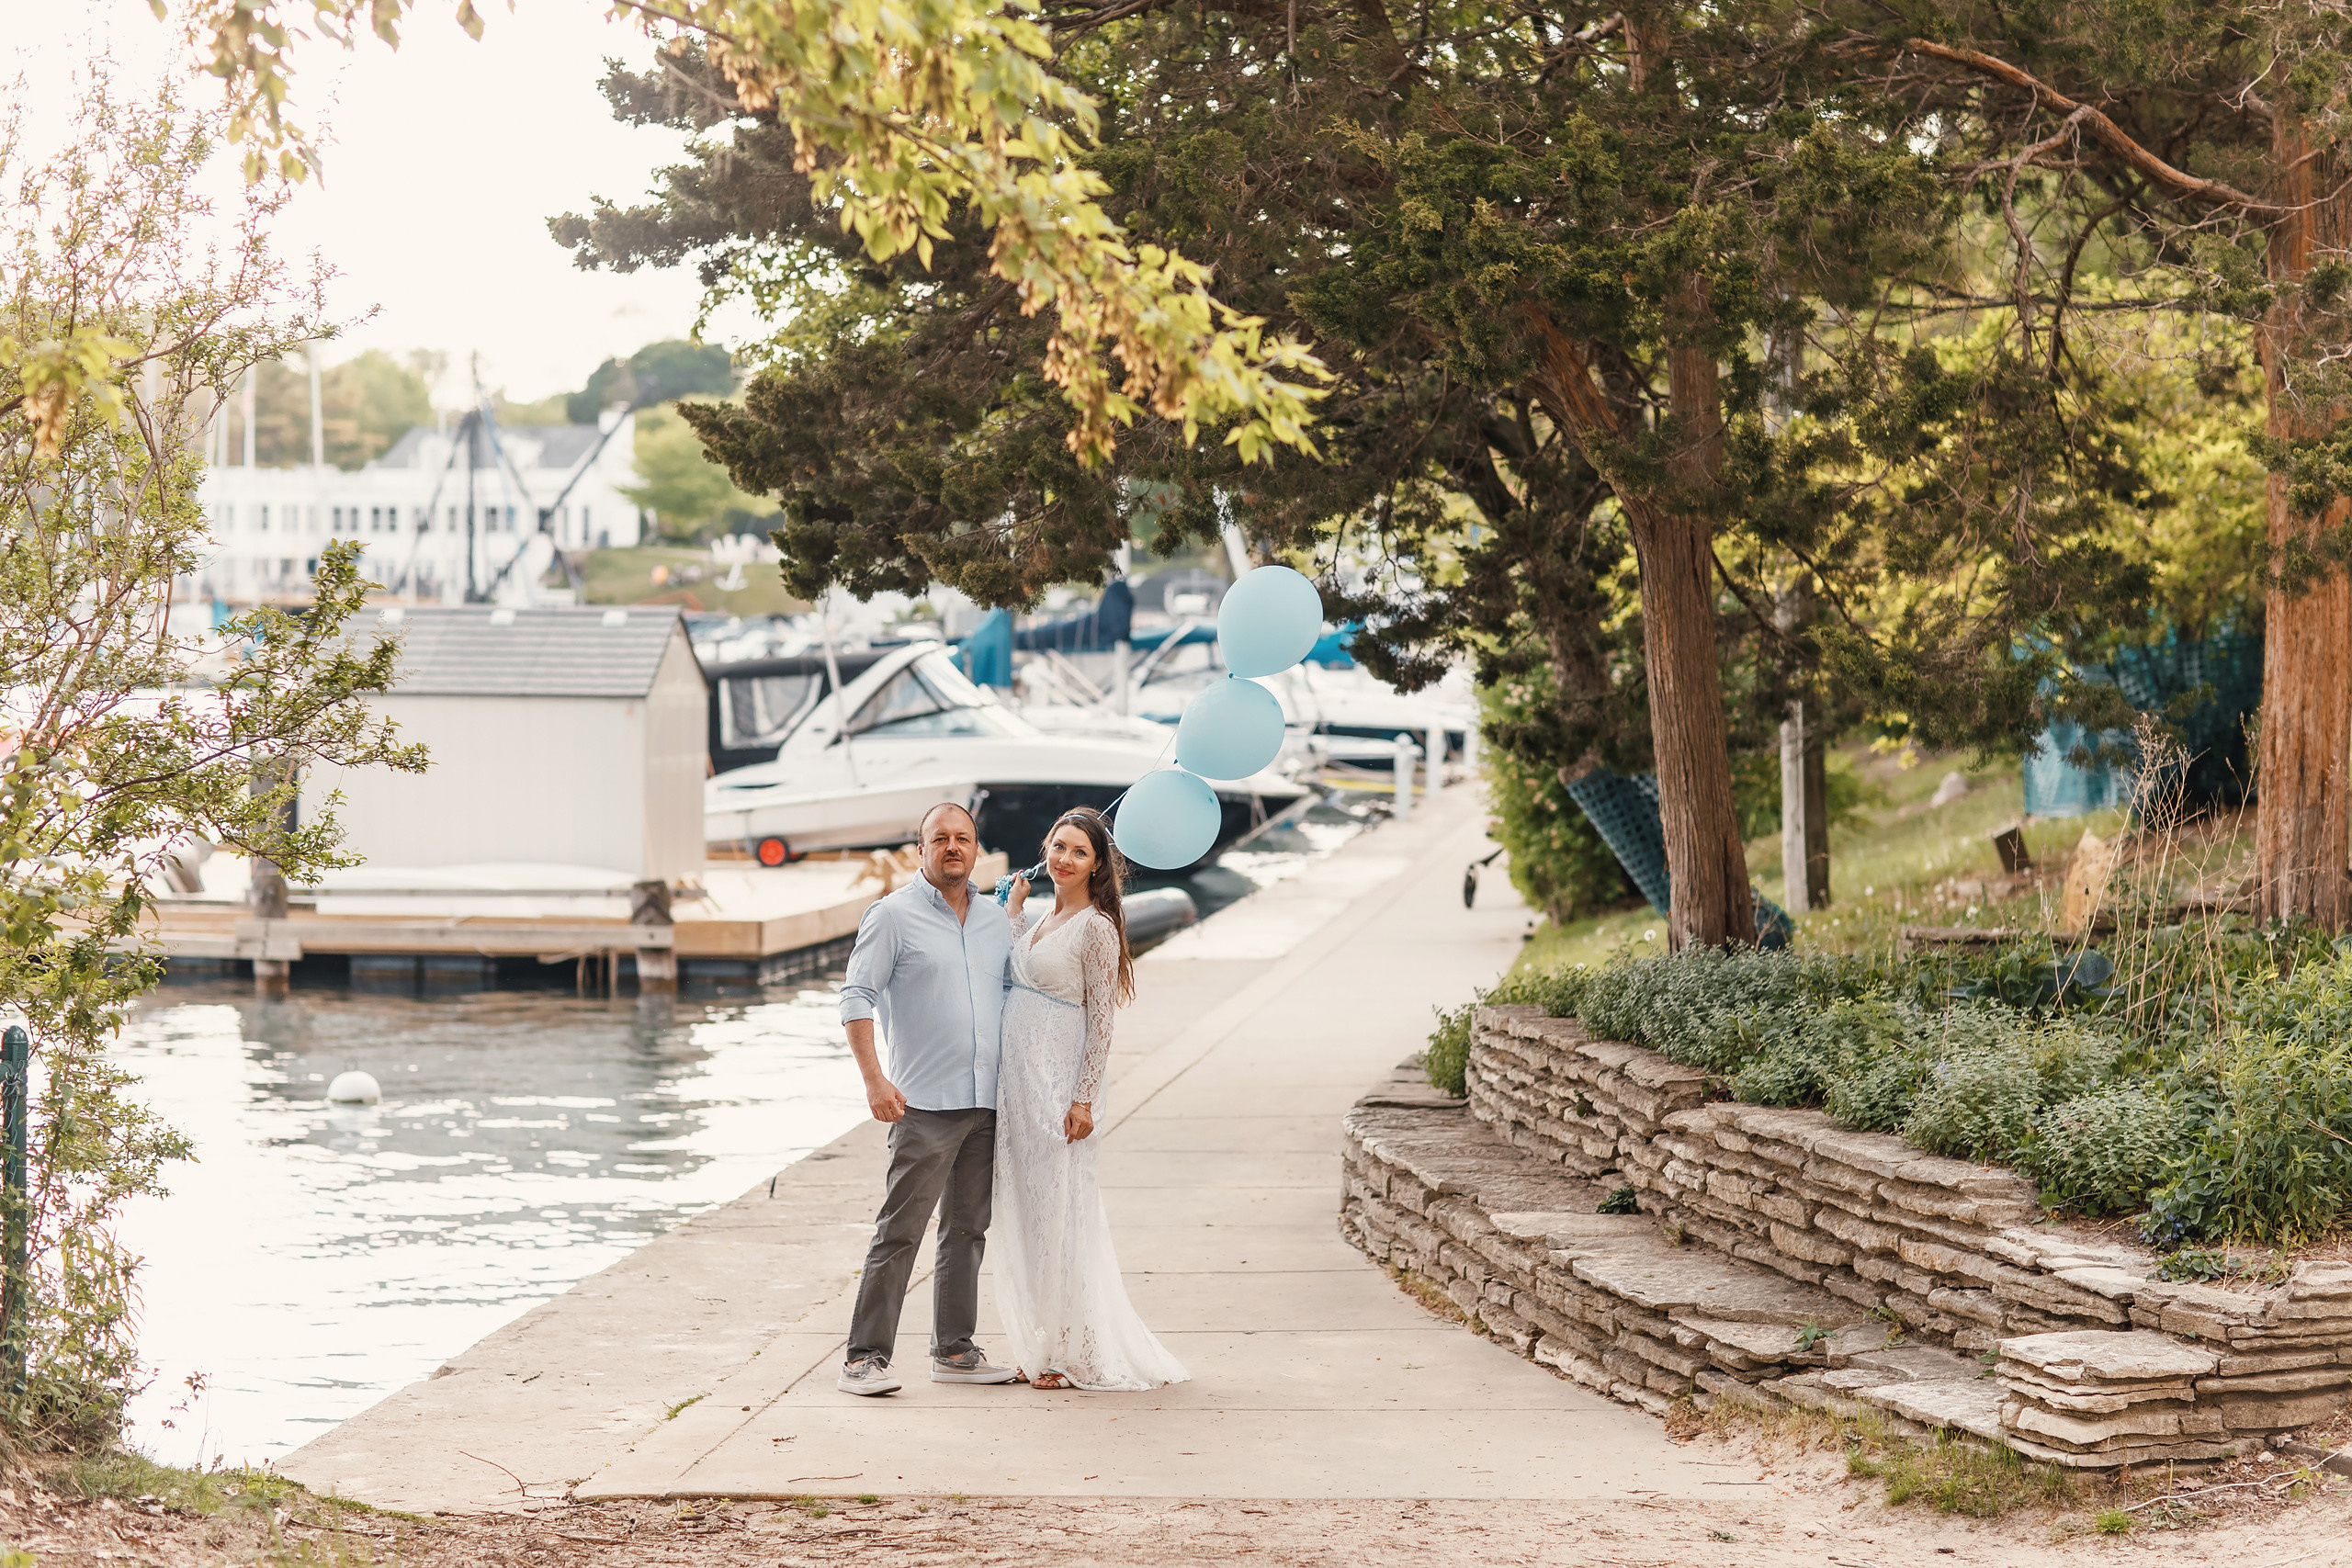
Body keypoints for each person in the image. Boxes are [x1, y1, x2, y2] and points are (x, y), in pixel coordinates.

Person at [998, 807, 1190, 1392]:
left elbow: (1102, 1021)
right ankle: (1044, 1342)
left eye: (1079, 852)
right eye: (1058, 847)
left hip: (1060, 1092)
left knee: (1064, 1218)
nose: (1065, 859)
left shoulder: (1098, 927)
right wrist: (1012, 913)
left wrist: (1083, 1100)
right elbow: (1022, 974)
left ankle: (1076, 1350)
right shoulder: (1041, 917)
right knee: (1030, 1217)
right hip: (1020, 1090)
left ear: (1097, 865)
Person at [834, 802, 1022, 1396]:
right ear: (921, 850)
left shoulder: (994, 920)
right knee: (900, 1232)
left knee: (967, 1230)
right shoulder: (891, 916)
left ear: (976, 848)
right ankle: (863, 1359)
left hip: (986, 1101)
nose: (952, 848)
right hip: (923, 1105)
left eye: (962, 838)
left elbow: (1013, 996)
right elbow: (856, 996)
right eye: (939, 839)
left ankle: (955, 1350)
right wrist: (874, 1080)